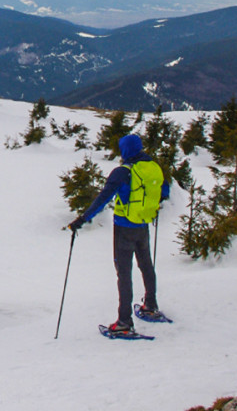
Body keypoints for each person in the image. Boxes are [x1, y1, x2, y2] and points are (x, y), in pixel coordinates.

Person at [67, 134, 169, 335]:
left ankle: (124, 322)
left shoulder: (123, 172)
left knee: (124, 273)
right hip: (143, 224)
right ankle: (150, 306)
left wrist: (82, 219)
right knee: (146, 265)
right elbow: (164, 192)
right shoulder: (153, 167)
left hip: (124, 227)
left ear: (125, 150)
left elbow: (103, 198)